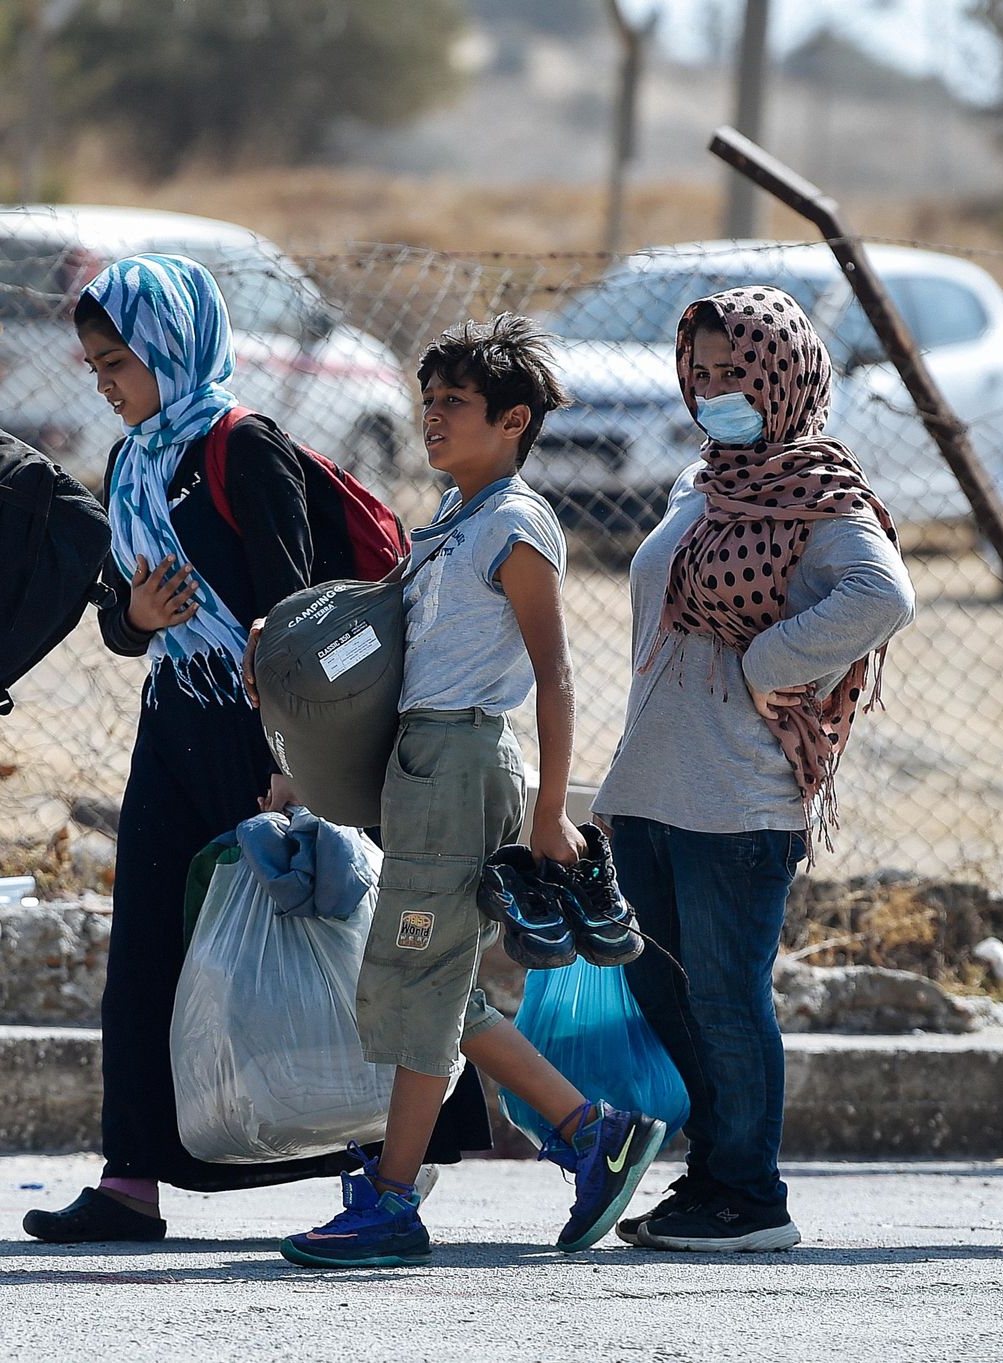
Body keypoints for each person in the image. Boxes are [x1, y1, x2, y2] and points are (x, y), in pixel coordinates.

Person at [24, 254, 492, 1243]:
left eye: (117, 361)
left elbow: (296, 616)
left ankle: (377, 1160)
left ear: (168, 346)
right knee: (149, 940)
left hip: (268, 733)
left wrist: (293, 764)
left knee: (325, 929)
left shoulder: (243, 449)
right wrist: (137, 615)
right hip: (176, 720)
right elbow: (115, 616)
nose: (102, 382)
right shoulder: (130, 463)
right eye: (95, 364)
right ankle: (130, 1179)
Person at [279, 313, 665, 1270]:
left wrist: (550, 814)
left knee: (417, 974)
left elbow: (556, 671)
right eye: (428, 402)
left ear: (514, 420)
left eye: (455, 404)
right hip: (423, 764)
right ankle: (591, 1134)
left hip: (463, 764)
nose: (433, 419)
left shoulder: (515, 522)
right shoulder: (451, 521)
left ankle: (393, 1201)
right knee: (442, 984)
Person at [593, 287, 913, 1252]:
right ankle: (713, 1172)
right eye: (699, 371)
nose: (714, 388)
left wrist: (774, 662)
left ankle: (750, 1198)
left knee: (728, 1000)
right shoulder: (705, 482)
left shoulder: (820, 494)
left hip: (737, 796)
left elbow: (883, 593)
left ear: (783, 371)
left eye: (735, 369)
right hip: (651, 786)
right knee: (665, 991)